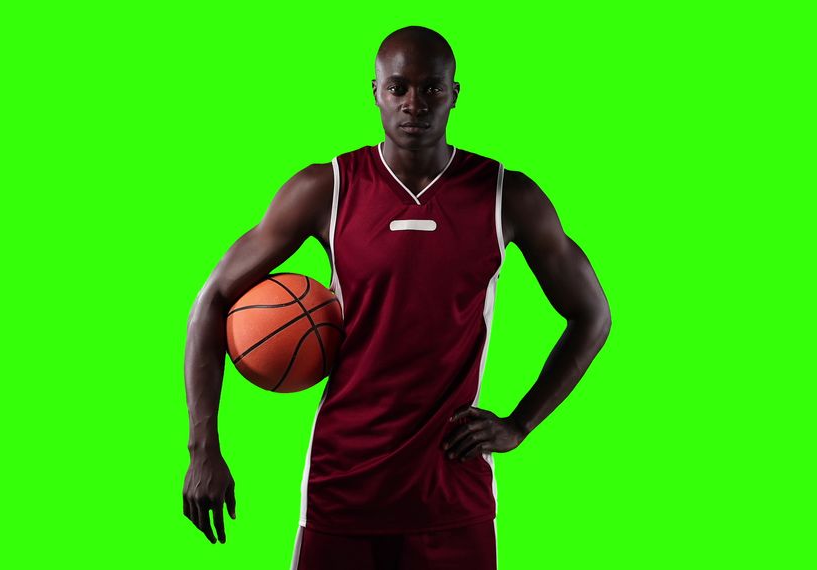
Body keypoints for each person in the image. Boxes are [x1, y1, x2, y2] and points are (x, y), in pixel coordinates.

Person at [182, 26, 610, 569]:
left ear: (454, 93)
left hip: (452, 492)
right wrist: (203, 450)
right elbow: (213, 299)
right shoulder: (328, 188)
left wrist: (520, 424)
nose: (415, 104)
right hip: (344, 487)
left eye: (431, 88)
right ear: (377, 92)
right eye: (399, 88)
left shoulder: (506, 195)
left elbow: (592, 315)